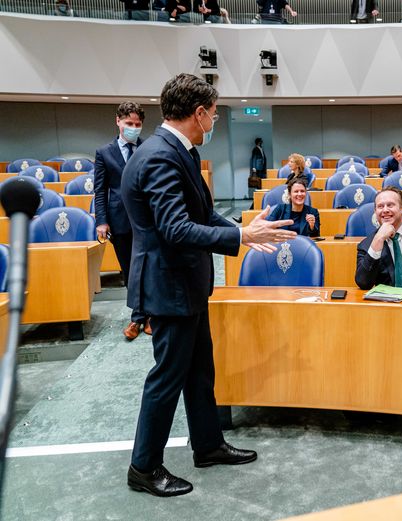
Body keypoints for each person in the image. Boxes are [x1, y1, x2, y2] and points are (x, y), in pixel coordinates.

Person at [121, 73, 297, 497]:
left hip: (186, 284)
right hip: (169, 288)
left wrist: (240, 228)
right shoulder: (161, 156)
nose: (214, 121)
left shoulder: (176, 150)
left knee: (200, 371)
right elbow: (177, 229)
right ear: (199, 114)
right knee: (166, 378)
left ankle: (208, 444)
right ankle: (144, 467)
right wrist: (240, 239)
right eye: (214, 114)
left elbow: (202, 213)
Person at [94, 102, 150, 341]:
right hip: (119, 220)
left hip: (148, 219)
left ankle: (147, 316)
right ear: (118, 121)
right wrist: (102, 221)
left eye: (138, 124)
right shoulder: (104, 153)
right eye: (129, 123)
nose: (134, 128)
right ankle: (139, 316)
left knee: (149, 268)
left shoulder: (149, 147)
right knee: (130, 271)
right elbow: (100, 191)